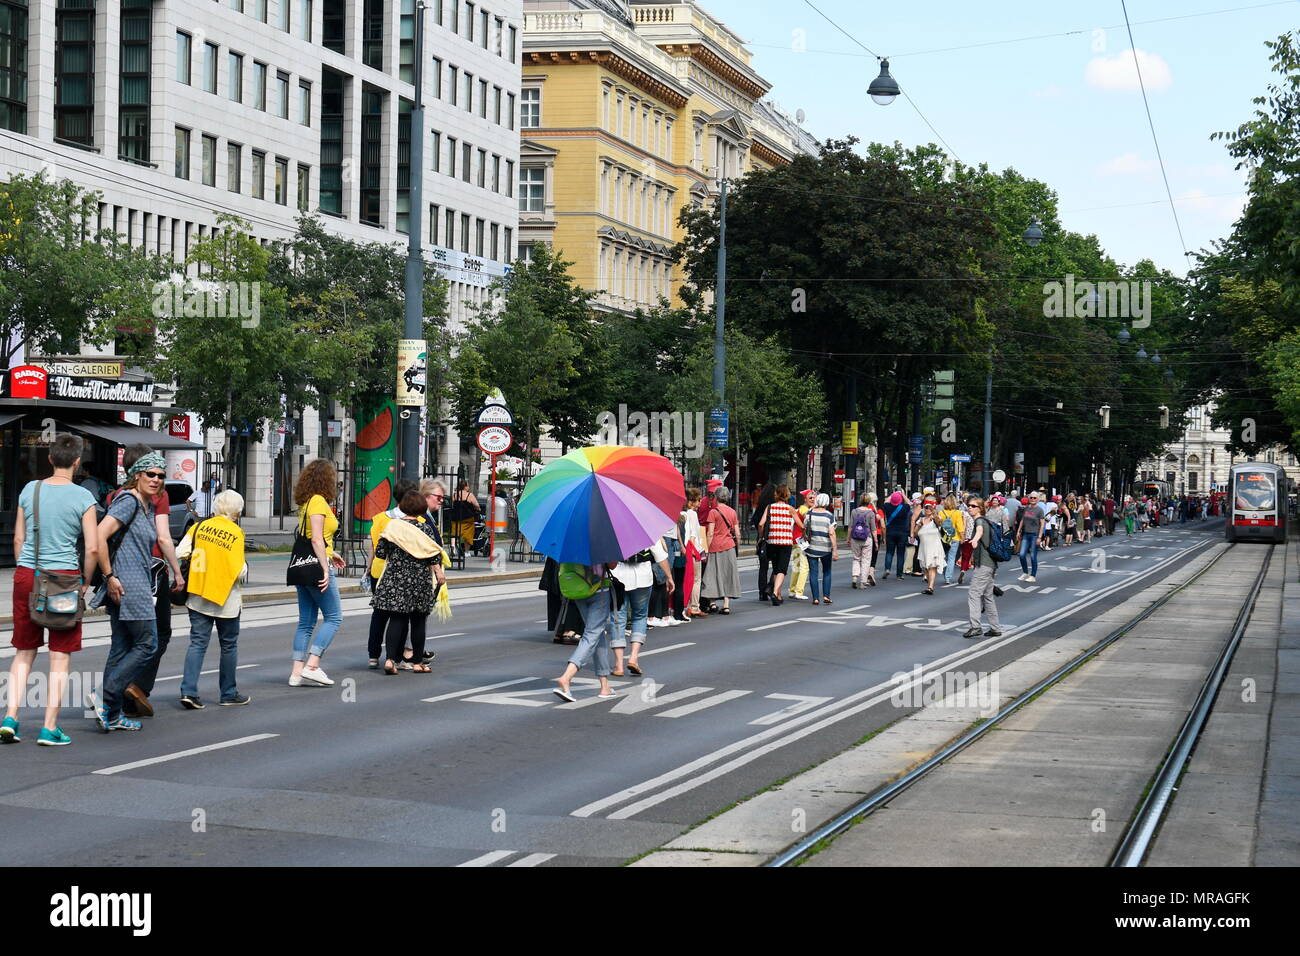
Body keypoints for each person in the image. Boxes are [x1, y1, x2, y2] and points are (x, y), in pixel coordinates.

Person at [2, 434, 99, 747]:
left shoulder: (31, 489)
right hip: (64, 579)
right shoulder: (83, 498)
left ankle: (10, 718)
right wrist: (84, 582)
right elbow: (93, 548)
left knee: (24, 652)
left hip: (27, 575)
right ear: (76, 462)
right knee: (59, 656)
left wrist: (28, 570)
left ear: (49, 459)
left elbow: (18, 539)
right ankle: (49, 728)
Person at [88, 451, 170, 732]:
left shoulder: (145, 505)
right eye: (151, 474)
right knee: (148, 644)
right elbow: (100, 534)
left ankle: (110, 713)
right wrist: (109, 576)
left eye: (161, 475)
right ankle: (105, 695)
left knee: (122, 647)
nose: (156, 479)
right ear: (137, 475)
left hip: (129, 583)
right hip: (129, 584)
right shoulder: (129, 501)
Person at [114, 443, 185, 718]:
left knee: (125, 639)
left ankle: (120, 698)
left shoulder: (116, 495)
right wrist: (177, 572)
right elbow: (164, 537)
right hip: (151, 573)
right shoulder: (159, 496)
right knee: (159, 634)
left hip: (121, 573)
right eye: (152, 471)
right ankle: (136, 686)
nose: (156, 478)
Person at [176, 490, 251, 709]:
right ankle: (228, 693)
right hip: (226, 598)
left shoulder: (198, 527)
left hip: (198, 593)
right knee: (228, 645)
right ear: (237, 511)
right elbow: (239, 571)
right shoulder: (236, 532)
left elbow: (180, 552)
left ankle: (188, 691)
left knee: (197, 643)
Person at [373, 490, 447, 675]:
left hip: (395, 580)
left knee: (396, 619)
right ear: (421, 508)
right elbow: (433, 555)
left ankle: (390, 660)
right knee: (418, 621)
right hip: (419, 581)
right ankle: (417, 663)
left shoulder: (392, 527)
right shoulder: (425, 529)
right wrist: (439, 573)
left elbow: (380, 553)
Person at [289, 459, 346, 687]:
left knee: (306, 622)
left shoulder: (305, 502)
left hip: (301, 566)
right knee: (334, 617)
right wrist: (325, 567)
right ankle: (312, 665)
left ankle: (296, 673)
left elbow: (312, 537)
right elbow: (316, 538)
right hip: (315, 567)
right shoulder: (319, 501)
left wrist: (332, 554)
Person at [365, 478, 419, 668]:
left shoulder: (379, 518)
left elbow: (373, 546)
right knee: (401, 616)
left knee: (378, 614)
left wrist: (368, 568)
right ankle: (396, 657)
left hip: (379, 571)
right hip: (403, 573)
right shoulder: (417, 520)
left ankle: (373, 656)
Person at [552, 563, 620, 702]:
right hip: (599, 590)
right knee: (591, 635)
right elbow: (612, 565)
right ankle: (566, 677)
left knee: (597, 634)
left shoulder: (571, 541)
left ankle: (604, 686)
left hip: (578, 588)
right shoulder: (602, 541)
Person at [609, 541, 673, 677]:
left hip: (618, 576)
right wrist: (669, 577)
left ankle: (619, 665)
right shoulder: (644, 527)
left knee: (618, 618)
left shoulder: (613, 528)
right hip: (643, 577)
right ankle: (633, 658)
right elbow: (660, 556)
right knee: (640, 617)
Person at [962, 497, 1001, 639]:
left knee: (974, 593)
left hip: (984, 565)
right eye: (968, 505)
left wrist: (975, 539)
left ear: (980, 508)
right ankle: (995, 628)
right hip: (989, 564)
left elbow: (978, 531)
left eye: (973, 506)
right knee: (988, 596)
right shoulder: (984, 521)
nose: (970, 508)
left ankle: (975, 626)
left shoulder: (979, 521)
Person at [758, 485, 802, 605]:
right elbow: (800, 525)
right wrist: (804, 534)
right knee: (782, 569)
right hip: (785, 543)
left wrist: (762, 536)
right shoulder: (790, 509)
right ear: (787, 495)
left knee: (776, 568)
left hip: (772, 542)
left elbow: (761, 524)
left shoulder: (770, 507)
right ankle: (775, 591)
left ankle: (775, 592)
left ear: (776, 495)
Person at [701, 486, 741, 613]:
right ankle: (726, 604)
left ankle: (712, 603)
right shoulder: (733, 512)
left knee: (712, 574)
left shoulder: (713, 512)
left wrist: (706, 549)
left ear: (716, 497)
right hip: (729, 546)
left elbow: (710, 533)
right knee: (728, 574)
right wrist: (737, 546)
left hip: (715, 546)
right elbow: (738, 533)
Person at [804, 493, 838, 605]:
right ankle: (826, 596)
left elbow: (804, 528)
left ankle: (815, 598)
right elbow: (832, 533)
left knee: (813, 573)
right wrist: (835, 550)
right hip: (825, 548)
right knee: (827, 571)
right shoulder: (829, 516)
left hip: (811, 547)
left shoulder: (809, 514)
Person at [681, 488, 707, 617]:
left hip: (685, 549)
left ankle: (686, 606)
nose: (700, 503)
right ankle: (694, 606)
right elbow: (693, 535)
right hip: (693, 549)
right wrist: (698, 551)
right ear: (692, 501)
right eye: (698, 500)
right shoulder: (692, 514)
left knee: (686, 579)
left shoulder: (683, 513)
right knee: (696, 579)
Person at [788, 489, 815, 601]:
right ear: (805, 499)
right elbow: (806, 516)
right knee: (804, 567)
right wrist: (815, 509)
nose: (813, 500)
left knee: (796, 566)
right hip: (801, 541)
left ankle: (792, 590)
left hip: (795, 540)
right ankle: (799, 591)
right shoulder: (804, 509)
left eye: (814, 498)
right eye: (810, 498)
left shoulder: (801, 507)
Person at [750, 483, 776, 601]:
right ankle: (770, 586)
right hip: (775, 539)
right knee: (777, 567)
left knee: (763, 568)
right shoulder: (775, 507)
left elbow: (756, 521)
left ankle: (762, 593)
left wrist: (760, 535)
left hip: (763, 539)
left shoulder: (761, 507)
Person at [1014, 491, 1046, 582]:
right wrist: (1018, 531)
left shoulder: (1040, 510)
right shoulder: (1026, 509)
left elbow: (1042, 524)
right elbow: (1022, 520)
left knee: (1033, 556)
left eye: (1034, 498)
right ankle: (1025, 573)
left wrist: (1040, 537)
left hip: (1034, 535)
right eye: (1031, 498)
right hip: (1025, 534)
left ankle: (1033, 576)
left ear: (1038, 499)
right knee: (1022, 554)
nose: (1032, 499)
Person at [914, 500, 944, 595]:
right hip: (923, 547)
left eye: (929, 507)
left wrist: (934, 514)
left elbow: (939, 523)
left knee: (932, 566)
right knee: (925, 567)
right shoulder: (921, 520)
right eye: (926, 507)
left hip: (934, 546)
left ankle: (930, 587)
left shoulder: (935, 518)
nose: (927, 509)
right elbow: (915, 533)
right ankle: (929, 583)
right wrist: (919, 525)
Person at [848, 492, 878, 589]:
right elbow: (873, 529)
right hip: (867, 538)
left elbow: (850, 526)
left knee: (856, 558)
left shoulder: (854, 511)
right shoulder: (871, 513)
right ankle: (863, 582)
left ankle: (854, 578)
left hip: (855, 538)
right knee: (866, 560)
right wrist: (876, 542)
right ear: (869, 501)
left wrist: (848, 538)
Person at [882, 491, 911, 580]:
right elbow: (910, 503)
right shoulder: (905, 507)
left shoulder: (887, 507)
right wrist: (903, 494)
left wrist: (893, 494)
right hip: (902, 533)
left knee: (889, 552)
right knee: (900, 554)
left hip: (890, 532)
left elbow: (886, 501)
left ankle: (887, 569)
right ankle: (899, 575)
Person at [938, 493, 966, 585]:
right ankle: (948, 578)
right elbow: (960, 527)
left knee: (943, 557)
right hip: (955, 537)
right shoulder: (958, 513)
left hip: (944, 538)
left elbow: (938, 525)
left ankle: (945, 573)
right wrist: (962, 537)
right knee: (951, 558)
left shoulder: (941, 513)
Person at [448, 480, 480, 553]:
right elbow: (476, 505)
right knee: (468, 535)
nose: (468, 487)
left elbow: (452, 504)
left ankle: (453, 546)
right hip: (467, 518)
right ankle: (466, 552)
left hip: (456, 517)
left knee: (454, 532)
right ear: (465, 487)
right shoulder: (470, 495)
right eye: (467, 486)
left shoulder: (455, 495)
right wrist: (478, 509)